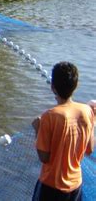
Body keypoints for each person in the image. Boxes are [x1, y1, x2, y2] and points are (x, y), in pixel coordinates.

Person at [31, 62, 94, 201]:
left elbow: (44, 157)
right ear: (76, 85)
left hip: (51, 186)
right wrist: (92, 121)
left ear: (53, 87)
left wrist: (38, 129)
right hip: (76, 185)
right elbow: (89, 149)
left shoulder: (49, 116)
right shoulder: (87, 111)